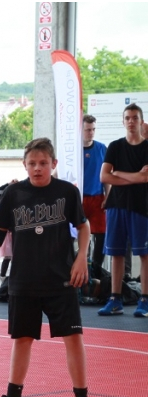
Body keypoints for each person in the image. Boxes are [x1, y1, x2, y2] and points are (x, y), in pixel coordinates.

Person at [0, 137, 100, 397]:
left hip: (61, 279)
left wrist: (82, 258)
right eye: (32, 163)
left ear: (53, 164)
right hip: (24, 279)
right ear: (24, 165)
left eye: (43, 163)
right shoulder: (14, 194)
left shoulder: (67, 192)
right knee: (22, 339)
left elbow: (84, 226)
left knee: (74, 339)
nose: (38, 168)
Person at [97, 104, 148, 317]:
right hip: (116, 206)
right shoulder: (115, 146)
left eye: (134, 117)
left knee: (144, 255)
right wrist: (134, 176)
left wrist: (119, 174)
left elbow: (145, 178)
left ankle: (144, 301)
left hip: (141, 207)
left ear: (141, 121)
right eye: (127, 117)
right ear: (123, 121)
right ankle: (115, 299)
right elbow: (104, 177)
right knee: (116, 254)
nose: (130, 121)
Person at [81, 115, 110, 281]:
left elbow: (107, 175)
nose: (91, 133)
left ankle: (96, 270)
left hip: (98, 197)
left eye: (93, 130)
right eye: (87, 130)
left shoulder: (101, 148)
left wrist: (108, 196)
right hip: (79, 198)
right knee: (72, 235)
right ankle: (77, 267)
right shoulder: (73, 149)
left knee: (101, 235)